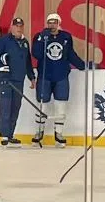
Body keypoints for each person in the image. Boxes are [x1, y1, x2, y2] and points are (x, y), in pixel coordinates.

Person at [31, 13, 88, 147]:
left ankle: (59, 133)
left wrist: (82, 65)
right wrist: (41, 39)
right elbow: (36, 54)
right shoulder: (40, 36)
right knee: (42, 105)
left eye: (54, 22)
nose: (52, 25)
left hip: (61, 76)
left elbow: (70, 54)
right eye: (49, 22)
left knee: (61, 105)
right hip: (45, 76)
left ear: (59, 23)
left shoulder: (65, 37)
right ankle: (39, 133)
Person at [0, 17, 36, 148]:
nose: (18, 28)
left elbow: (27, 62)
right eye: (16, 26)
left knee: (15, 107)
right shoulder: (4, 41)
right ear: (12, 27)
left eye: (21, 26)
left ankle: (10, 134)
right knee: (5, 107)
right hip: (5, 80)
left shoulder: (25, 43)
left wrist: (31, 77)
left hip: (18, 80)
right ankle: (4, 135)